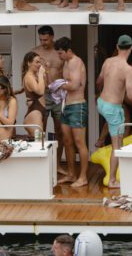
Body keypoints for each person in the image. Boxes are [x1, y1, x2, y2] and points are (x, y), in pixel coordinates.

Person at [96, 34, 132, 189]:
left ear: (117, 47)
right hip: (112, 108)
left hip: (101, 103)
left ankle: (121, 172)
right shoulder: (128, 69)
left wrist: (101, 93)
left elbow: (99, 81)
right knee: (117, 145)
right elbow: (130, 95)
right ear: (131, 48)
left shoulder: (108, 61)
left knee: (119, 138)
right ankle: (112, 181)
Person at [55, 37, 89, 188]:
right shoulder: (66, 62)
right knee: (67, 141)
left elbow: (74, 85)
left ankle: (83, 177)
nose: (59, 56)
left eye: (61, 53)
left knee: (79, 142)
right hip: (66, 106)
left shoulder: (76, 61)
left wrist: (58, 85)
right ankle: (71, 173)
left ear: (69, 51)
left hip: (77, 106)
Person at [33, 26, 65, 171]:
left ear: (52, 37)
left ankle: (57, 164)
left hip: (58, 95)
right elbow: (28, 74)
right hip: (42, 95)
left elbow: (68, 72)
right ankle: (41, 164)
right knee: (41, 129)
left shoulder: (60, 52)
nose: (43, 42)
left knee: (60, 130)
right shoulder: (35, 52)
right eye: (41, 39)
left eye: (45, 39)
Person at [21, 51, 46, 139]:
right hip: (33, 114)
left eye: (40, 62)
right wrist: (40, 74)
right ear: (29, 63)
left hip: (37, 112)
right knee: (40, 144)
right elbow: (40, 91)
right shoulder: (29, 77)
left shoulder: (32, 76)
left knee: (40, 143)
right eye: (37, 62)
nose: (39, 64)